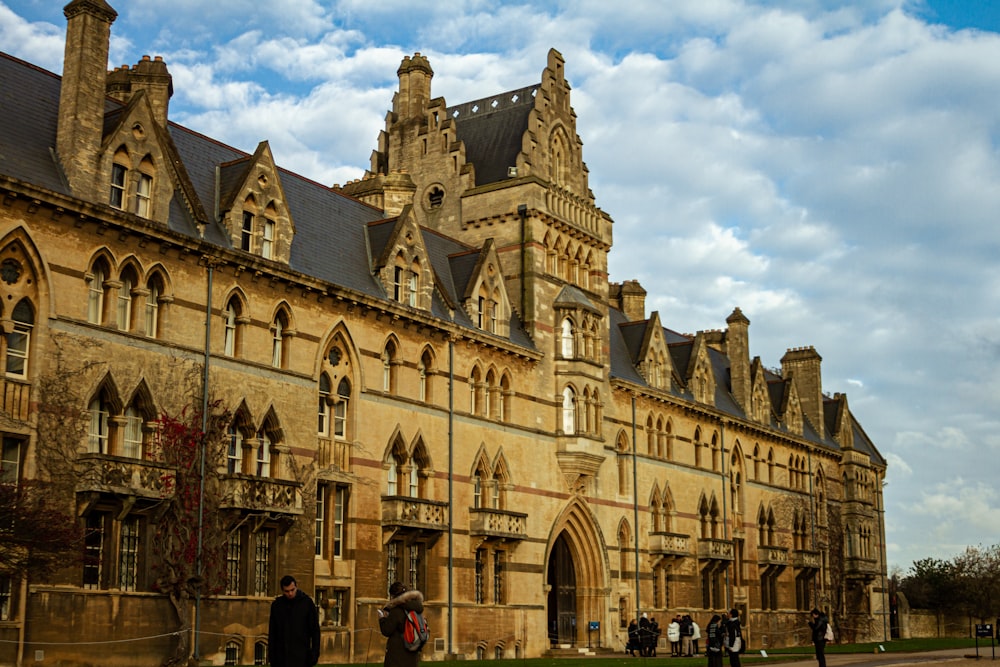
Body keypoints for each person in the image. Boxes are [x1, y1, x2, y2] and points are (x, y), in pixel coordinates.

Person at [268, 575, 321, 667]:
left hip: (302, 655)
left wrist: (314, 653)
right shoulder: (277, 605)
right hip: (281, 657)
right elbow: (273, 632)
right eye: (287, 591)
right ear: (282, 590)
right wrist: (272, 656)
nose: (290, 593)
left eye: (292, 590)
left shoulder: (307, 603)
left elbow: (315, 630)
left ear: (296, 586)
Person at [379, 581, 425, 667]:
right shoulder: (416, 609)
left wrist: (382, 618)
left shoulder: (397, 610)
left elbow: (386, 630)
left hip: (397, 655)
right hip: (412, 651)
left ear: (393, 596)